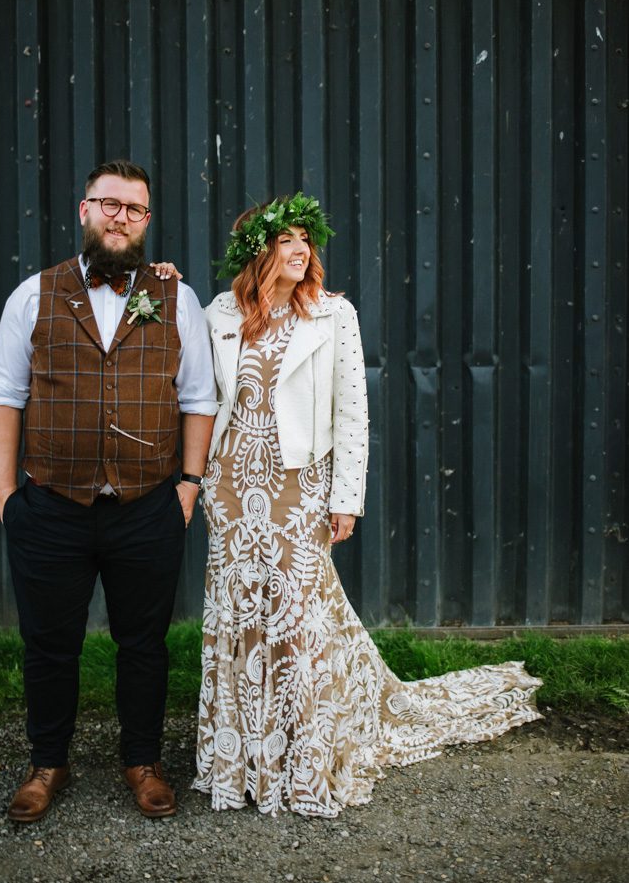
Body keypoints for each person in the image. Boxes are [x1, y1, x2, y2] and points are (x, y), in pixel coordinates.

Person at [164, 192, 542, 817]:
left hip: (297, 484)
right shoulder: (221, 310)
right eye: (285, 240)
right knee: (239, 616)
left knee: (295, 614)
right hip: (232, 487)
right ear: (258, 250)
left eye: (304, 240)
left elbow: (352, 412)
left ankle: (301, 760)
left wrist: (346, 499)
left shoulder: (332, 315)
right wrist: (167, 283)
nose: (300, 249)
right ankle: (242, 762)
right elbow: (194, 385)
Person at [0, 159, 216, 823]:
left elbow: (198, 397)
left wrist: (189, 486)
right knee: (48, 643)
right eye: (108, 203)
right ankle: (46, 762)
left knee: (143, 643)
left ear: (146, 222)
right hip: (50, 506)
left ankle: (142, 759)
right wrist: (8, 498)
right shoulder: (33, 295)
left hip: (147, 506)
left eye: (133, 208)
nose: (120, 215)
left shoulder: (179, 298)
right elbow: (4, 396)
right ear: (83, 210)